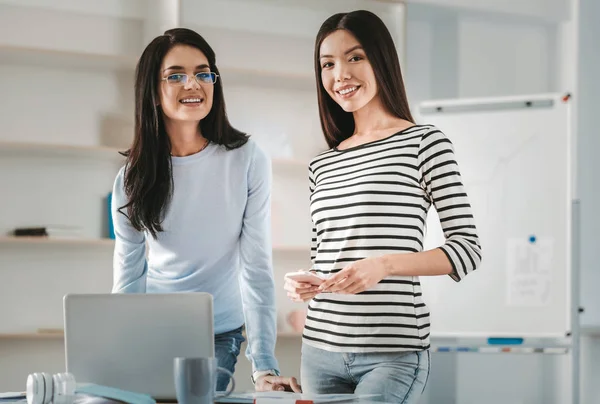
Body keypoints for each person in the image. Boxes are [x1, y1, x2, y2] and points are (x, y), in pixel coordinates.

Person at [284, 10, 482, 403]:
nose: (340, 74)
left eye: (355, 57)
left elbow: (466, 249)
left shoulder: (425, 143)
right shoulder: (322, 163)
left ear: (381, 60)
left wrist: (385, 265)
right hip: (319, 349)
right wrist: (307, 281)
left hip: (392, 354)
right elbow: (327, 252)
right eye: (328, 64)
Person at [111, 28, 300, 393]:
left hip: (219, 333)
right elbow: (129, 275)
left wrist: (264, 368)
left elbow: (256, 267)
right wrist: (122, 352)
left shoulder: (247, 159)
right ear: (153, 91)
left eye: (203, 72)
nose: (193, 84)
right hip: (154, 329)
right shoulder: (133, 178)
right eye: (176, 75)